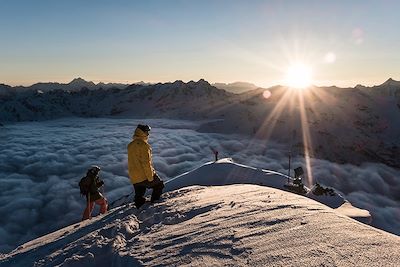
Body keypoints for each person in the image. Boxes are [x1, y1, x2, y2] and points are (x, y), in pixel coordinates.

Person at [127, 124, 164, 208]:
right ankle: (154, 204)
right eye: (147, 131)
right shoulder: (144, 145)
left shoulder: (130, 145)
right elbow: (146, 163)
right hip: (143, 175)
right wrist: (150, 177)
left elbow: (132, 161)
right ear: (142, 132)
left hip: (134, 176)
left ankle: (138, 206)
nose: (148, 134)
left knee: (139, 193)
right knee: (159, 185)